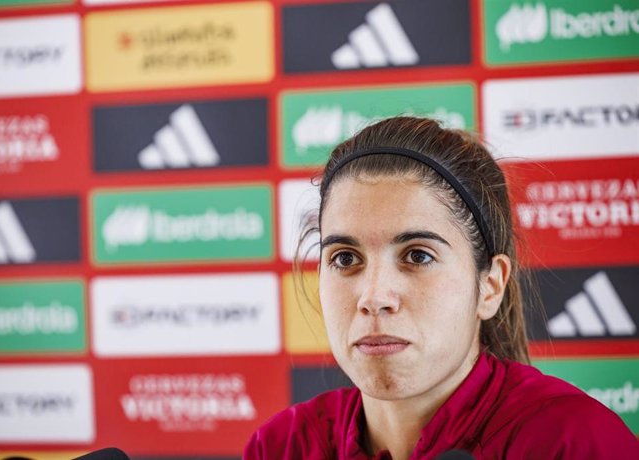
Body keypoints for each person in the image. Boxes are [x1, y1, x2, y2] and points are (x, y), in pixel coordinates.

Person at [244, 116, 639, 459]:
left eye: (417, 256)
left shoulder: (572, 443)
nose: (373, 297)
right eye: (345, 259)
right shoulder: (281, 447)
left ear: (490, 286)